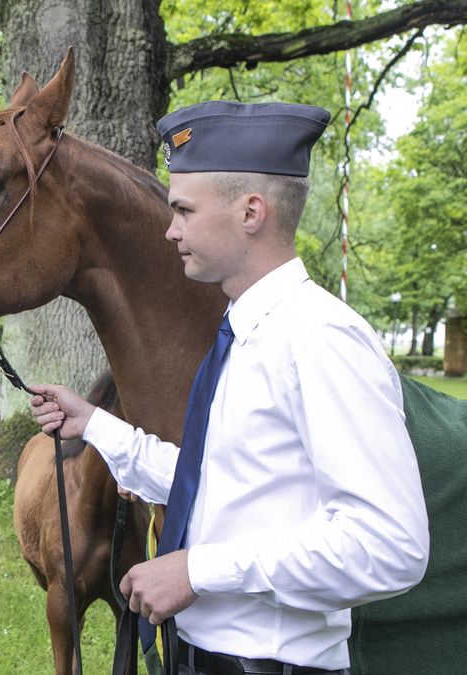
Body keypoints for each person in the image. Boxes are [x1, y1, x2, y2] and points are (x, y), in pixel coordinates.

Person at [29, 102, 429, 675]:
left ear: (251, 212)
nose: (170, 229)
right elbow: (218, 485)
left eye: (184, 210)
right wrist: (94, 425)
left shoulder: (319, 337)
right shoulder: (244, 334)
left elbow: (389, 545)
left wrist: (198, 571)